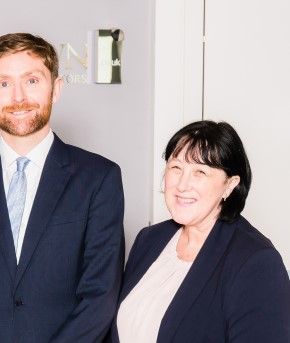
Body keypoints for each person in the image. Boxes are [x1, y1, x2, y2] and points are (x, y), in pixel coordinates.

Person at [0, 33, 125, 342]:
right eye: (3, 84)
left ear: (56, 89)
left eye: (32, 81)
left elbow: (100, 297)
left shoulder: (99, 178)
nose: (18, 97)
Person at [115, 120, 290, 342]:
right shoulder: (149, 240)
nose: (183, 185)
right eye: (176, 167)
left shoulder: (257, 262)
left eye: (200, 172)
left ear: (230, 185)